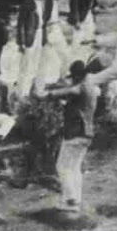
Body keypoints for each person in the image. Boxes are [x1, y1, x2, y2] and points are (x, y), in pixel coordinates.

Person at [42, 60, 102, 210]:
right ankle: (76, 199)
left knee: (62, 166)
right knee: (75, 167)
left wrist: (46, 93)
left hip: (75, 132)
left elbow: (67, 92)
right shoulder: (92, 87)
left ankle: (70, 200)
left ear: (77, 76)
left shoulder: (80, 87)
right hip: (87, 133)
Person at [14, 0, 48, 97]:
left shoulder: (43, 3)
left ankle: (35, 91)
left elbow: (44, 22)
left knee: (38, 64)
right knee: (26, 65)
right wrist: (21, 42)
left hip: (39, 34)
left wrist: (44, 38)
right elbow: (20, 24)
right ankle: (21, 93)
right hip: (30, 36)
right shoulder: (27, 3)